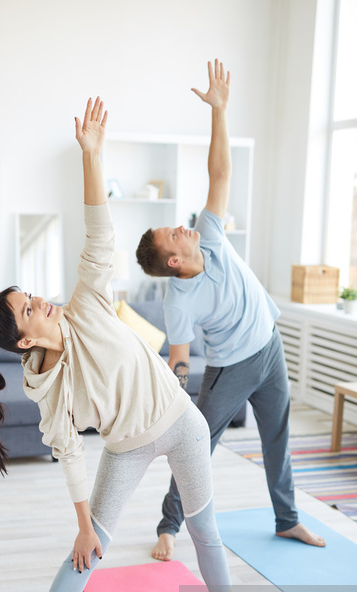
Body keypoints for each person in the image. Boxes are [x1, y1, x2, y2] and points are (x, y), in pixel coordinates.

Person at [0, 97, 264, 592]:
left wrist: (92, 156)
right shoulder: (44, 387)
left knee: (207, 532)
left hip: (181, 422)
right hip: (125, 448)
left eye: (31, 294)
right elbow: (69, 454)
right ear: (25, 335)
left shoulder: (87, 301)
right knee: (87, 550)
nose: (41, 301)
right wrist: (83, 524)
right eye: (30, 308)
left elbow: (98, 228)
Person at [135, 60, 326, 563]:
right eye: (174, 233)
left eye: (177, 225)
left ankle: (287, 521)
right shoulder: (178, 298)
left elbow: (220, 170)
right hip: (231, 370)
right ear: (173, 261)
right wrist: (172, 400)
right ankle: (168, 525)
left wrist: (220, 110)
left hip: (270, 347)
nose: (183, 227)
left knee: (277, 439)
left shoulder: (212, 235)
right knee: (199, 445)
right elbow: (179, 358)